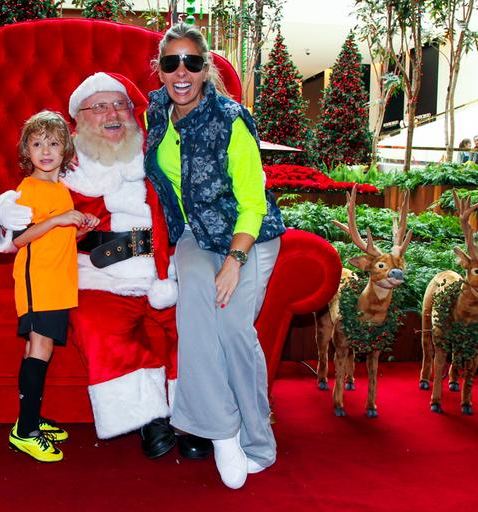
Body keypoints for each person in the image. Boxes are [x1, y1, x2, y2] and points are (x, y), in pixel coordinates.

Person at [0, 73, 213, 461]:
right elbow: (24, 201)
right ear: (78, 119)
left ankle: (193, 418)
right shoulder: (66, 168)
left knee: (192, 331)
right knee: (101, 332)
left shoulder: (158, 155)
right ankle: (150, 418)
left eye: (120, 104)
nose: (112, 113)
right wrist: (5, 211)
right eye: (100, 106)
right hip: (101, 277)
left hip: (165, 275)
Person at [144, 23, 285, 489]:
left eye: (191, 62)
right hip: (193, 238)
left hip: (248, 238)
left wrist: (234, 259)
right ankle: (222, 430)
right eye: (171, 62)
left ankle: (259, 441)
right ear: (160, 70)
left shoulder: (231, 118)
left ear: (206, 69)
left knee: (231, 326)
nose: (180, 72)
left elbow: (254, 199)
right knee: (197, 317)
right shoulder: (154, 113)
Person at [7, 110, 99, 463]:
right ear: (26, 150)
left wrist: (79, 231)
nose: (45, 150)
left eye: (54, 143)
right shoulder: (27, 190)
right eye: (37, 143)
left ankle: (29, 418)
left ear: (66, 151)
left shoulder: (58, 188)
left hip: (58, 279)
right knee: (40, 347)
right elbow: (19, 240)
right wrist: (59, 219)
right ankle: (26, 431)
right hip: (38, 282)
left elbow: (55, 238)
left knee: (38, 347)